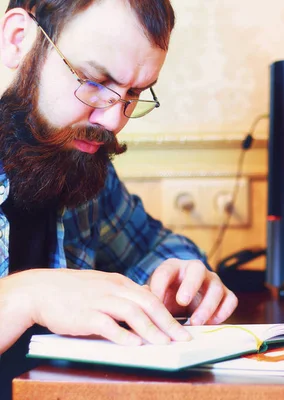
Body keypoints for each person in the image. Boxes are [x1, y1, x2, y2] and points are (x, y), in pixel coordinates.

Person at [0, 0, 238, 394]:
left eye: (132, 94)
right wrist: (26, 296)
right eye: (93, 81)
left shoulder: (81, 168)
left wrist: (180, 282)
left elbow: (152, 248)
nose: (113, 121)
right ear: (18, 39)